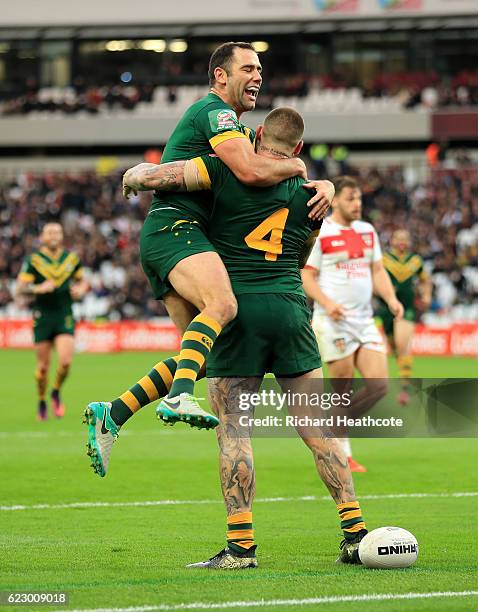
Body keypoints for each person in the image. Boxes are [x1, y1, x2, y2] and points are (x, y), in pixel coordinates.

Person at [123, 108, 368, 568]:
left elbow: (164, 179)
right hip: (290, 309)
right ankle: (355, 533)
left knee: (235, 431)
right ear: (297, 150)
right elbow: (301, 255)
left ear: (256, 136)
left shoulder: (222, 170)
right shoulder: (313, 194)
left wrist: (139, 174)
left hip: (239, 313)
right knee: (317, 430)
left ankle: (241, 547)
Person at [85, 42, 329, 478]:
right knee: (224, 305)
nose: (258, 76)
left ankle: (114, 413)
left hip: (172, 235)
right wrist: (300, 169)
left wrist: (322, 181)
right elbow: (252, 172)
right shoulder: (216, 114)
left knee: (202, 355)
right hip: (177, 230)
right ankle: (177, 397)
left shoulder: (229, 122)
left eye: (261, 69)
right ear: (221, 75)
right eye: (249, 68)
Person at [301, 177, 404, 472]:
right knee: (342, 389)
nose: (357, 204)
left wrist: (391, 298)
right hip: (333, 321)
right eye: (350, 198)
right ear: (335, 201)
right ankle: (341, 452)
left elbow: (378, 270)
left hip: (364, 320)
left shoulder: (367, 231)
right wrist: (328, 303)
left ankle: (331, 431)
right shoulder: (322, 232)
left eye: (359, 198)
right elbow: (306, 276)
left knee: (380, 386)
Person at [16, 222, 88, 420]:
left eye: (57, 231)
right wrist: (38, 289)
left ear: (62, 235)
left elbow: (83, 280)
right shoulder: (34, 260)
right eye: (50, 232)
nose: (54, 235)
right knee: (42, 368)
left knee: (65, 362)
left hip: (64, 314)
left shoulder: (71, 259)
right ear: (43, 236)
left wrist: (81, 289)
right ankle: (41, 399)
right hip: (43, 316)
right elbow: (20, 289)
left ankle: (55, 391)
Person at [377, 229, 432, 405]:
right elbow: (373, 279)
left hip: (407, 308)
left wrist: (426, 295)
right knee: (394, 347)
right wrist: (381, 291)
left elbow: (425, 280)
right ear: (392, 240)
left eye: (405, 239)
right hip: (386, 308)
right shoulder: (383, 259)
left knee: (402, 346)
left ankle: (404, 390)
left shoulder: (415, 261)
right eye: (398, 238)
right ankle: (402, 369)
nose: (402, 241)